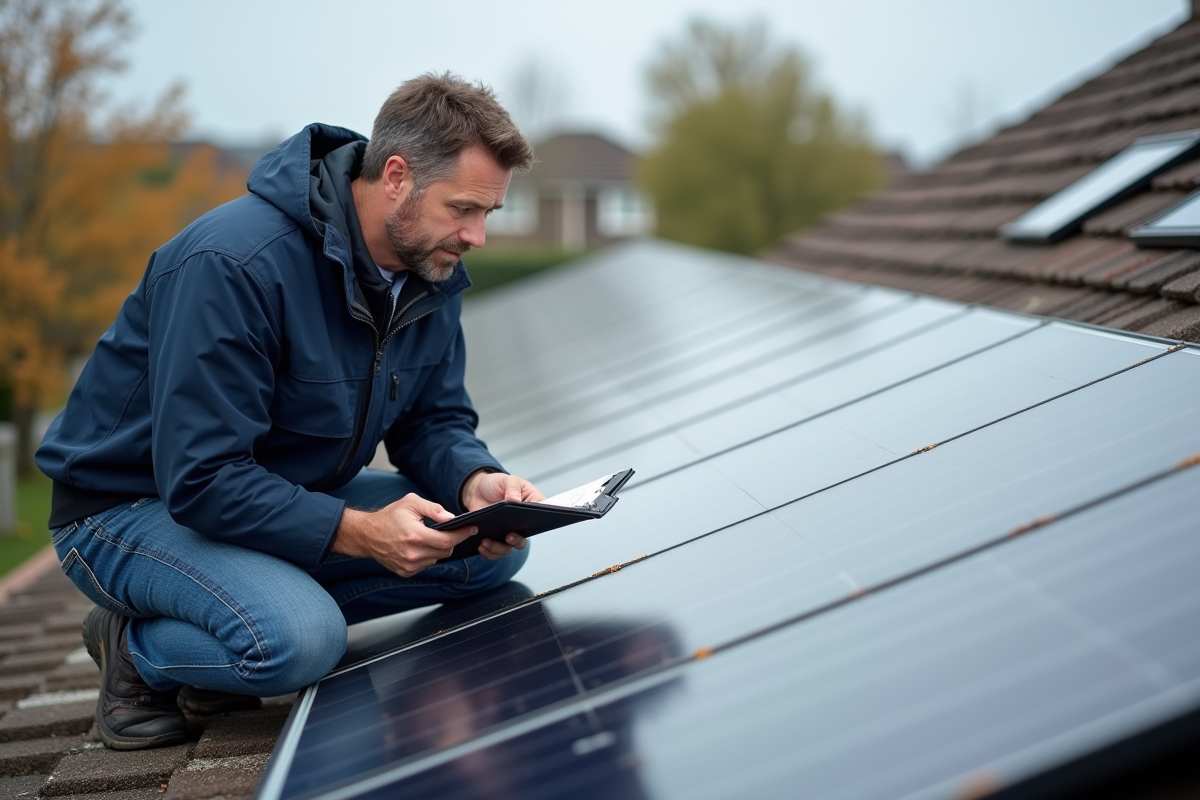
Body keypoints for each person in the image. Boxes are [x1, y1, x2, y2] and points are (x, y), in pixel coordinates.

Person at [35, 73, 541, 751]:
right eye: (463, 209)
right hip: (131, 507)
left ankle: (235, 612)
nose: (476, 236)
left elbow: (432, 420)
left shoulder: (429, 270)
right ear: (396, 176)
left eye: (488, 214)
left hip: (280, 495)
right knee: (302, 643)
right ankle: (135, 647)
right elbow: (203, 478)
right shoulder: (235, 263)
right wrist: (362, 533)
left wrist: (475, 482)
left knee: (481, 550)